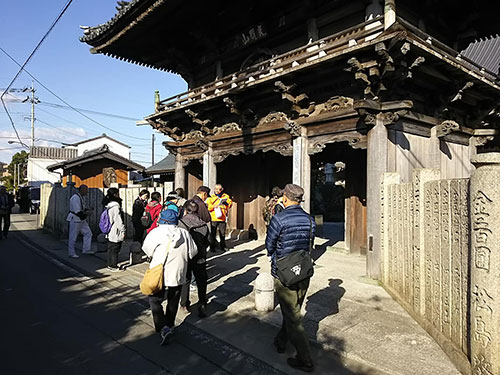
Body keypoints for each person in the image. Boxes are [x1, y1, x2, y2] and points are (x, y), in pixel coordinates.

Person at [265, 183, 316, 373]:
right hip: (303, 270)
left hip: (284, 271)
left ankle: (306, 358)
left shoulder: (279, 219)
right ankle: (280, 341)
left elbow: (269, 244)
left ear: (285, 198)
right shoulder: (309, 219)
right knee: (292, 311)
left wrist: (274, 254)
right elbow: (310, 243)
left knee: (292, 316)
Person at [142, 209, 198, 345]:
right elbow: (193, 252)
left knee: (155, 299)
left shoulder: (155, 232)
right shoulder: (184, 233)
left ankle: (162, 327)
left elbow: (146, 249)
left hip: (159, 270)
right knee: (173, 299)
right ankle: (170, 324)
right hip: (178, 271)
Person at [178, 200, 210, 317]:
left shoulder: (181, 223)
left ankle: (184, 304)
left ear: (186, 210)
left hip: (185, 256)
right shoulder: (203, 224)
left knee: (185, 279)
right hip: (200, 256)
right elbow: (208, 242)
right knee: (201, 280)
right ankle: (202, 303)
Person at [103, 187, 126, 271]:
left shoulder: (108, 205)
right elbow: (118, 220)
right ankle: (113, 265)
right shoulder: (115, 206)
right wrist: (123, 229)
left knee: (110, 248)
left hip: (110, 229)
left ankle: (109, 264)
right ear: (115, 194)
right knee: (115, 248)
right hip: (115, 230)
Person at [67, 184, 93, 258]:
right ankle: (71, 253)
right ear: (82, 190)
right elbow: (77, 211)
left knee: (88, 233)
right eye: (86, 190)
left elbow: (82, 209)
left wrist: (88, 210)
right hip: (75, 219)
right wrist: (87, 213)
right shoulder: (75, 198)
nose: (87, 192)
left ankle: (86, 249)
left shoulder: (81, 197)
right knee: (73, 236)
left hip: (81, 219)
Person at [206, 183, 233, 252]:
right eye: (216, 189)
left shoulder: (226, 196)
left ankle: (223, 246)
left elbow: (230, 205)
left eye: (220, 189)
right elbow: (209, 207)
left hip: (222, 217)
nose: (218, 190)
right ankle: (212, 247)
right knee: (213, 233)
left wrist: (226, 203)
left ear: (222, 189)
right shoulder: (211, 197)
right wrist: (214, 206)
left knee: (222, 233)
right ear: (214, 189)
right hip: (214, 218)